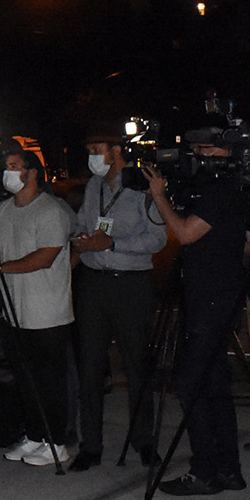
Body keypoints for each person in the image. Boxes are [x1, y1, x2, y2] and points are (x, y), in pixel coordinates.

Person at [145, 120, 250, 496]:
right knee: (215, 383)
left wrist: (160, 197)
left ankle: (204, 470)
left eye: (207, 149)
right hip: (214, 294)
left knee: (191, 384)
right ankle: (229, 468)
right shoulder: (220, 187)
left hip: (211, 297)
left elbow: (186, 233)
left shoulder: (222, 189)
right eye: (197, 150)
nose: (200, 156)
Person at [70, 125, 167, 471]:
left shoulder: (141, 185)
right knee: (91, 366)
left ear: (116, 150)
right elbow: (84, 222)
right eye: (91, 149)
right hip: (94, 284)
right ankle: (90, 445)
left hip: (131, 285)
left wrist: (112, 243)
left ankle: (144, 442)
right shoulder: (94, 185)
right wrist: (82, 240)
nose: (92, 155)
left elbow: (158, 240)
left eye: (97, 148)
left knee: (138, 365)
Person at [0, 147, 75, 467]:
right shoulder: (4, 210)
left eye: (15, 167)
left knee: (51, 380)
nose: (9, 173)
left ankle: (58, 441)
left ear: (32, 173)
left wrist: (0, 270)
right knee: (25, 378)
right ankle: (34, 435)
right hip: (15, 310)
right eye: (6, 167)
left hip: (47, 312)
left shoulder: (50, 211)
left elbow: (46, 257)